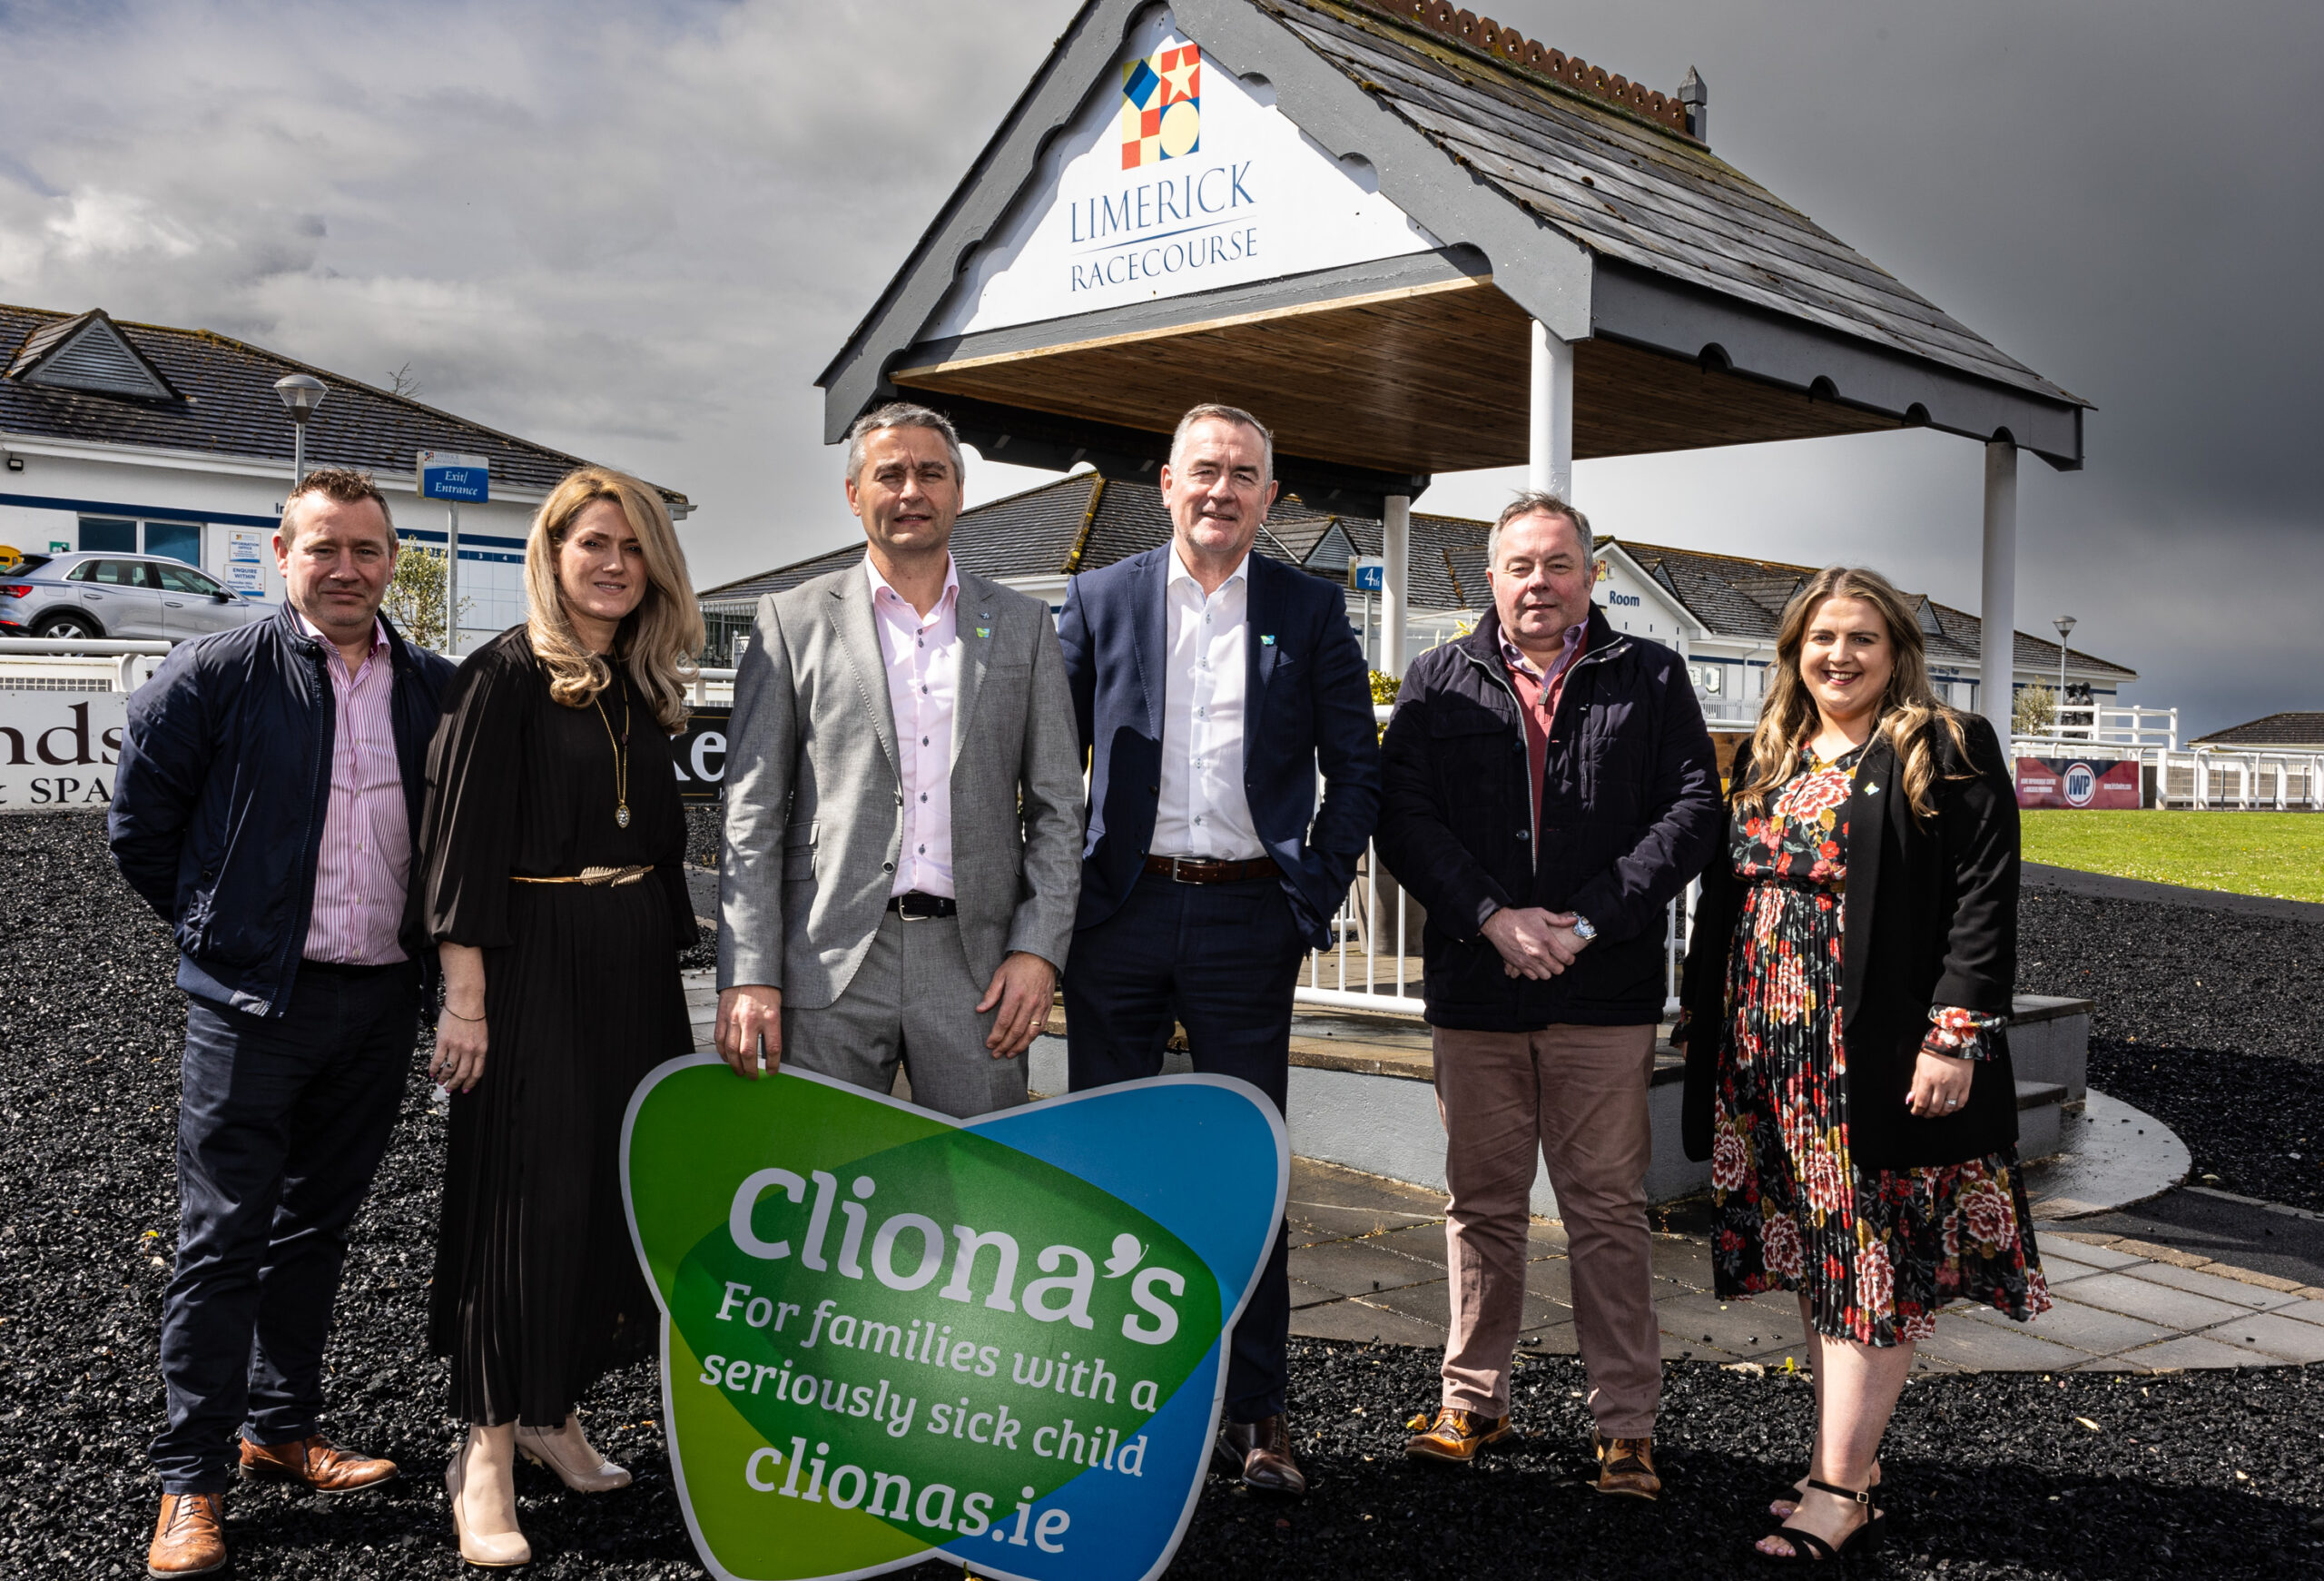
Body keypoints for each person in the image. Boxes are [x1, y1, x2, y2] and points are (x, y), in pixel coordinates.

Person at [109, 468, 455, 1578]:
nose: (346, 568)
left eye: (367, 548)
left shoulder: (434, 691)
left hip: (377, 1000)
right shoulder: (214, 673)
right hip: (254, 1006)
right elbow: (142, 830)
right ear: (280, 554)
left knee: (318, 1230)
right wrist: (224, 930)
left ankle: (279, 1428)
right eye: (324, 548)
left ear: (393, 557)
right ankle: (189, 1481)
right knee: (220, 1241)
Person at [1677, 566, 2047, 1562]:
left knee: (1866, 1273)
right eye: (1819, 639)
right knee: (1816, 1261)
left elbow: (1983, 898)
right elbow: (1728, 897)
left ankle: (1836, 1491)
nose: (1837, 656)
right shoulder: (1770, 751)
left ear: (1896, 652)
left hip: (1869, 1064)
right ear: (1794, 651)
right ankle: (1849, 1467)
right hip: (1765, 1062)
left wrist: (1952, 1036)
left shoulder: (1942, 745)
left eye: (1860, 638)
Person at [1056, 402, 1381, 1497]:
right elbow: (1050, 764)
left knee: (1251, 1168)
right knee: (1109, 1171)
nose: (1221, 489)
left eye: (1245, 473)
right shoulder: (1101, 597)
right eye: (1205, 470)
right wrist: (1054, 902)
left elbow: (1357, 768)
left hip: (1251, 920)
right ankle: (1110, 1404)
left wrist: (1310, 895)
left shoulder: (1310, 606)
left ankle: (1259, 1414)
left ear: (1270, 496)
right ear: (1166, 482)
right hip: (1120, 917)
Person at [1374, 493, 1719, 1497]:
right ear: (1489, 579)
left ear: (1589, 578)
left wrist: (1588, 919)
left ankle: (1625, 1425)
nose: (1538, 582)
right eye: (1519, 566)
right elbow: (1405, 817)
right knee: (1479, 1204)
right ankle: (1471, 1399)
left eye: (1558, 564)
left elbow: (1693, 809)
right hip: (1477, 988)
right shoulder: (1439, 680)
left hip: (1600, 988)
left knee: (1606, 1208)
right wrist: (1489, 915)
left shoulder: (1648, 675)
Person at [413, 467, 705, 1566]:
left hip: (630, 969)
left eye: (633, 547)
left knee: (603, 1199)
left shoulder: (636, 679)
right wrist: (467, 1003)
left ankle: (552, 1414)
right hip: (530, 966)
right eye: (594, 543)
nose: (615, 564)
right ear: (552, 553)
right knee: (520, 1206)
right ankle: (483, 1450)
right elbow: (459, 850)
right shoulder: (499, 678)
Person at [715, 403, 1082, 1115]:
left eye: (931, 473)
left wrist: (1039, 952)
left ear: (958, 491)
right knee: (822, 1188)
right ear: (855, 495)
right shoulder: (789, 622)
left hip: (977, 967)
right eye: (890, 474)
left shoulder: (1023, 625)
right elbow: (751, 813)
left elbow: (1060, 808)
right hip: (831, 963)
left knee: (982, 1196)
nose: (911, 490)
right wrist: (751, 970)